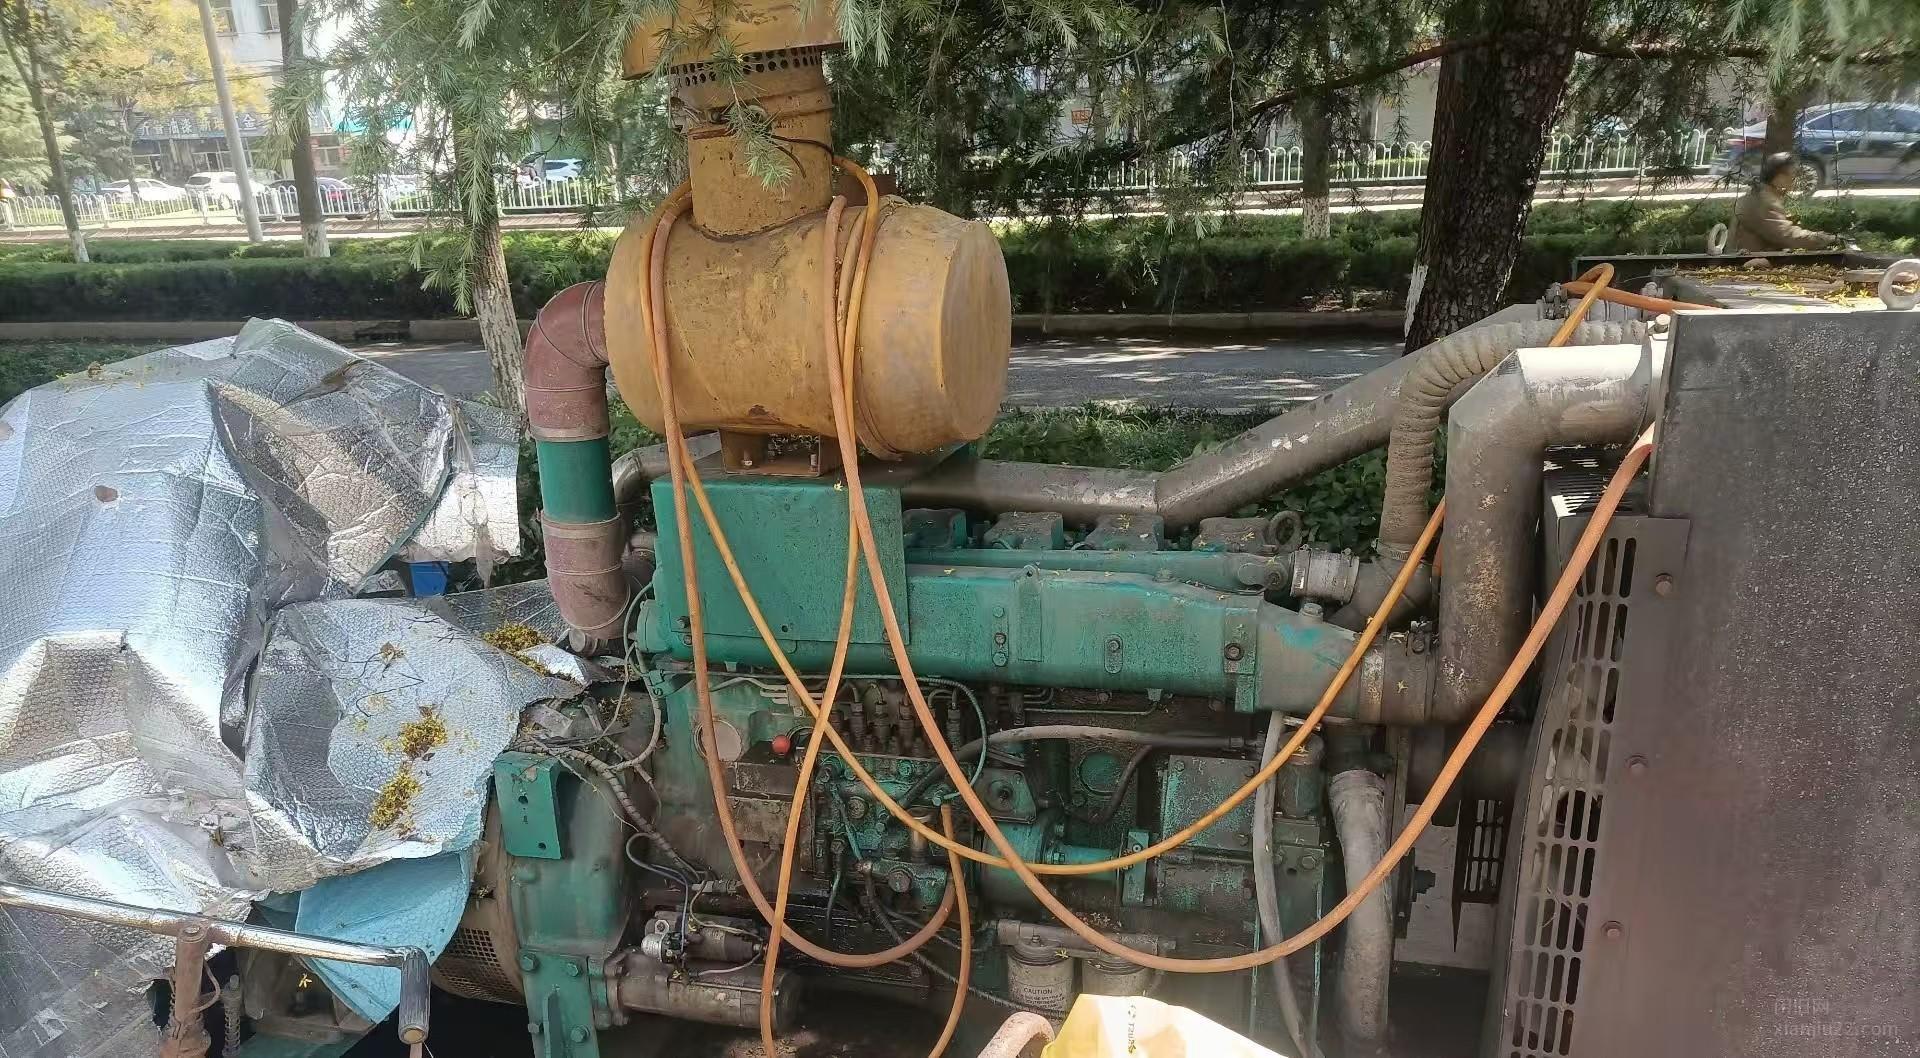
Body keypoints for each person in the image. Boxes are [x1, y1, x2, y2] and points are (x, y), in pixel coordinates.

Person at [1728, 152, 1844, 252]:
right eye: (1792, 174)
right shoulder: (1764, 202)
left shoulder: (1762, 195)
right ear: (1779, 177)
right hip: (1748, 262)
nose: (1794, 178)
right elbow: (1788, 236)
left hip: (1752, 257)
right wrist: (1826, 238)